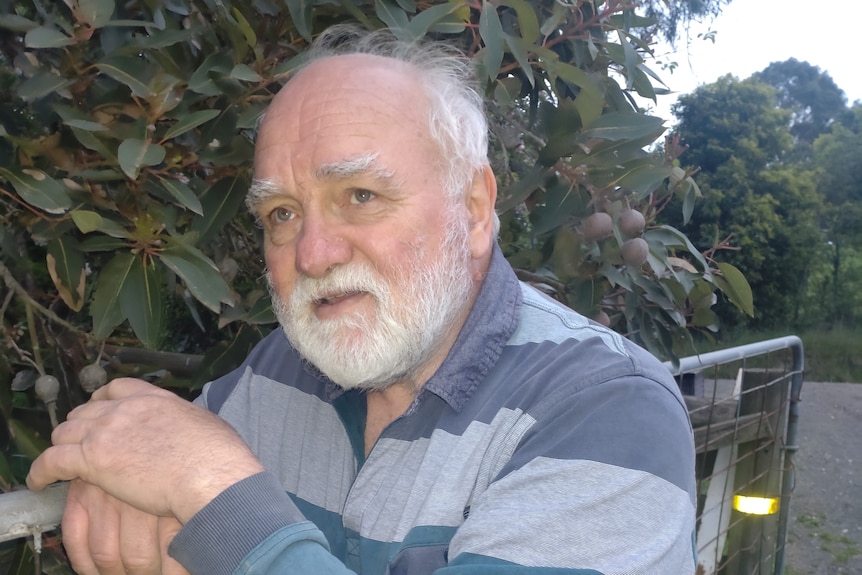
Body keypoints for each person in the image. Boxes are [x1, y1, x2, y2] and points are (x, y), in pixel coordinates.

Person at [27, 25, 697, 575]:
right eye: (283, 214)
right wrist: (122, 470)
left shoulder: (612, 410)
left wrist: (212, 490)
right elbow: (151, 454)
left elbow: (194, 473)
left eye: (361, 196)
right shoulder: (276, 372)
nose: (313, 255)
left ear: (475, 206)